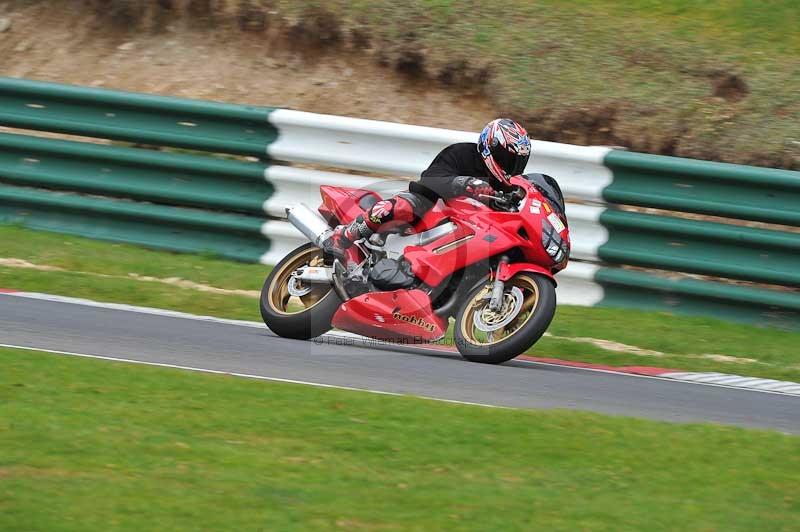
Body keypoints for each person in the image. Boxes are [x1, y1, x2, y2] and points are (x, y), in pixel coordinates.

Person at [323, 118, 532, 259]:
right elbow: (431, 179)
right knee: (405, 206)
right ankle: (344, 236)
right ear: (491, 146)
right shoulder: (461, 153)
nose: (511, 166)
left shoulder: (506, 186)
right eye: (508, 159)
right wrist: (464, 182)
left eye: (517, 162)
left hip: (471, 227)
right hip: (430, 207)